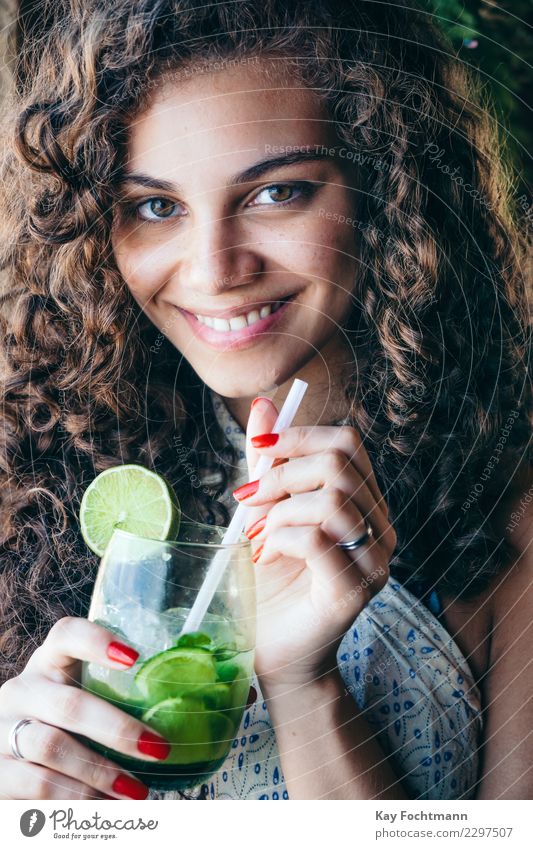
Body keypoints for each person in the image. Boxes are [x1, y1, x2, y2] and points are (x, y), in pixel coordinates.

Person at [0, 0, 531, 801]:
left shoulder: (509, 514)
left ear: (386, 187)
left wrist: (301, 679)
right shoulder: (32, 475)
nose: (214, 269)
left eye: (276, 192)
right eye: (155, 206)